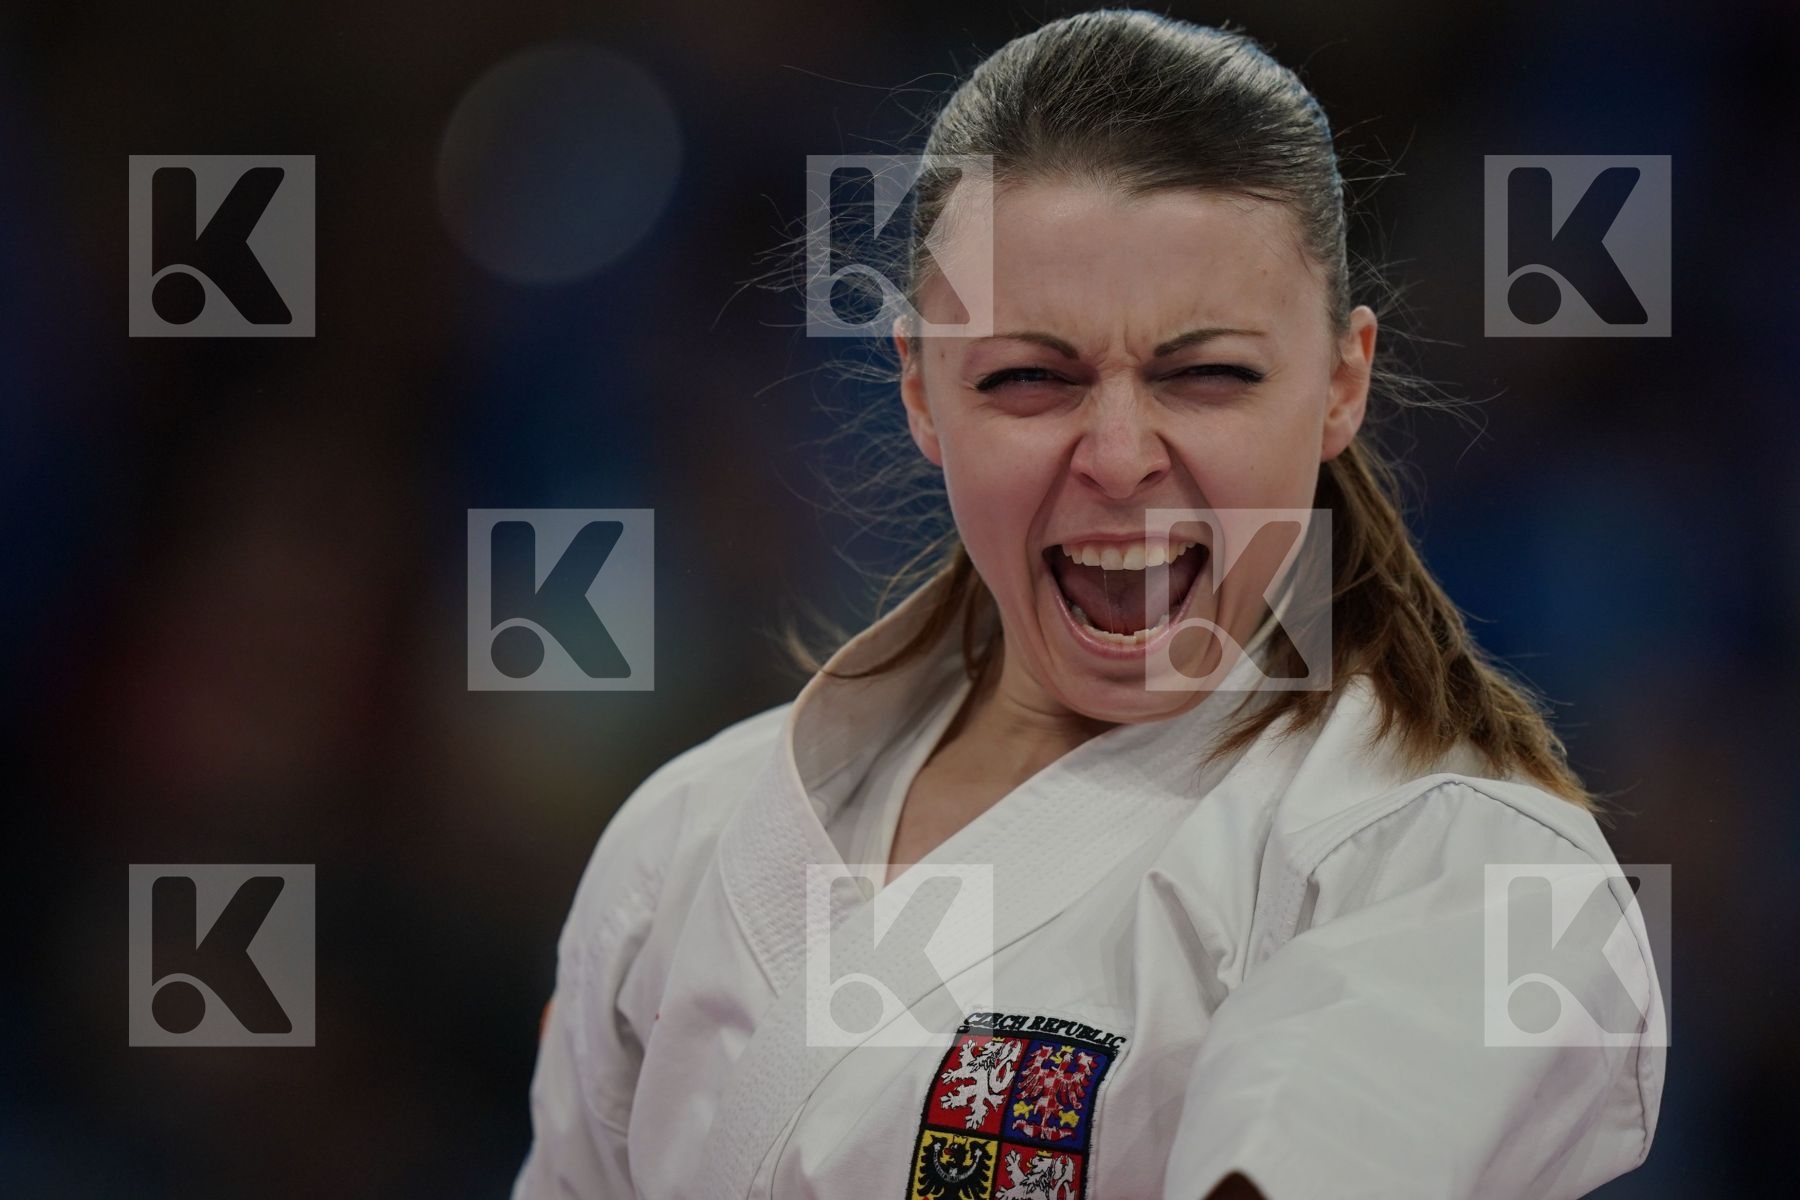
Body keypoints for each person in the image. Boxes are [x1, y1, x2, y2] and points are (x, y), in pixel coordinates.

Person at [511, 11, 1665, 1199]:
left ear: (1340, 384)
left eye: (1208, 374)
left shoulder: (1454, 861)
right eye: (1028, 379)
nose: (1119, 456)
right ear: (919, 390)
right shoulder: (683, 839)